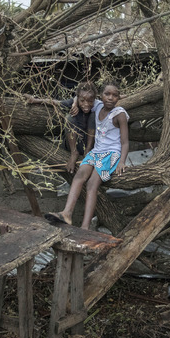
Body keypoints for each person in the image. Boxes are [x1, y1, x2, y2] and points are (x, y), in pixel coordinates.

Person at [45, 81, 129, 229]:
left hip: (111, 154)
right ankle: (67, 213)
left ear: (119, 97)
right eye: (107, 94)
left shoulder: (119, 114)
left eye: (115, 95)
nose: (110, 98)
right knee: (79, 176)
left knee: (91, 184)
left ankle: (85, 226)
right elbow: (80, 95)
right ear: (100, 96)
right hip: (95, 152)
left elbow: (125, 142)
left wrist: (122, 161)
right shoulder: (96, 105)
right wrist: (74, 103)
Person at [25, 82, 102, 173]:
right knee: (70, 118)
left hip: (90, 145)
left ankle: (88, 151)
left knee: (93, 117)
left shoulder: (98, 106)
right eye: (82, 101)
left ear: (94, 99)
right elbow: (55, 102)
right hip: (75, 144)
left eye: (90, 101)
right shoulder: (73, 104)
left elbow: (113, 99)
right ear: (78, 99)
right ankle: (74, 153)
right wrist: (35, 100)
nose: (86, 104)